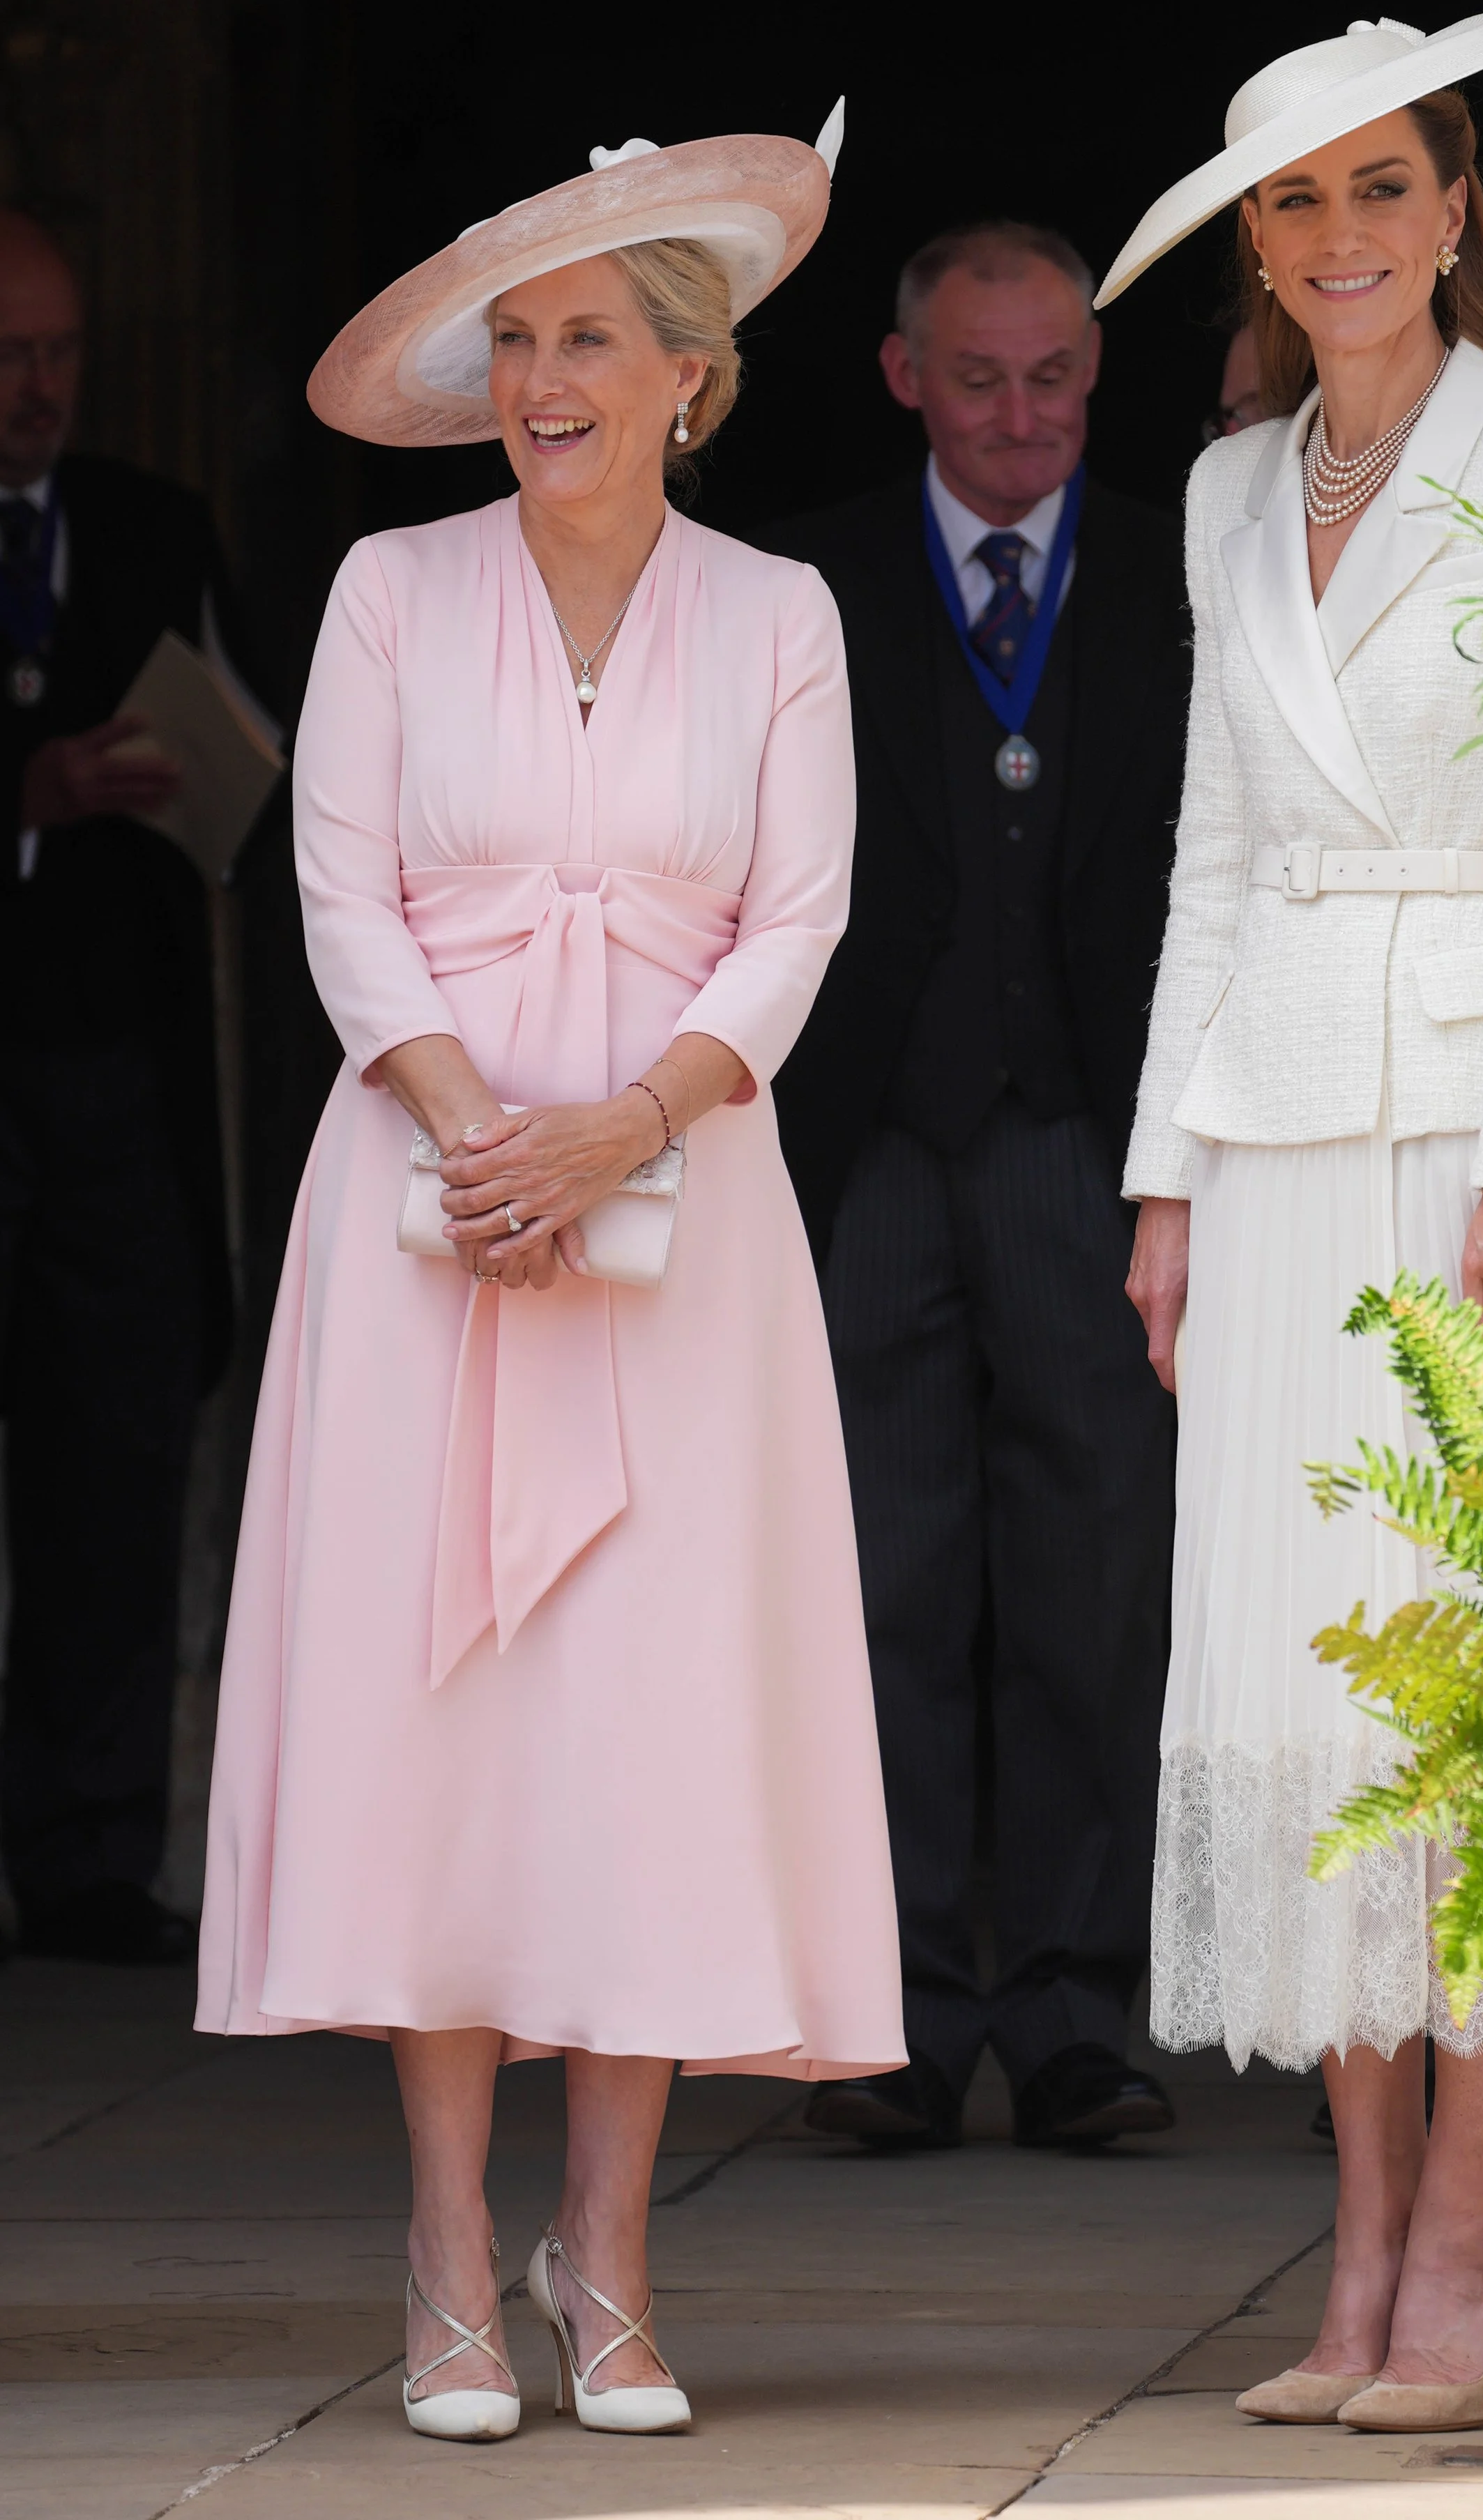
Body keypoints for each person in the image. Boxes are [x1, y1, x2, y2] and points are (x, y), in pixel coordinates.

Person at [197, 119, 904, 2445]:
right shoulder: (394, 591)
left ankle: (603, 2260)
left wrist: (633, 1120)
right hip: (423, 1219)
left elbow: (799, 918)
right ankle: (440, 2253)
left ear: (689, 375)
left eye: (586, 337)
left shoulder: (780, 614)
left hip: (686, 1231)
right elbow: (337, 889)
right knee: (451, 1732)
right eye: (516, 345)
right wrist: (476, 1127)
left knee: (644, 1731)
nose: (543, 380)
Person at [1106, 6, 1483, 2431]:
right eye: (1296, 200)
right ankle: (1352, 2244)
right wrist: (1160, 1176)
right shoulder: (1226, 492)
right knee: (1309, 1692)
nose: (1344, 236)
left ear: (1457, 212)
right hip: (1275, 1131)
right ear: (1259, 241)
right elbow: (1212, 856)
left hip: (1471, 1160)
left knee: (1472, 1690)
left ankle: (1468, 2230)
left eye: (1385, 187)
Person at [765, 222, 1186, 2151]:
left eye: (1056, 380)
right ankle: (899, 2018)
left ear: (1095, 378)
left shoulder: (1187, 562)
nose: (1022, 418)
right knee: (879, 1583)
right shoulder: (802, 577)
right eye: (981, 378)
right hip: (864, 1148)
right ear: (900, 375)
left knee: (1095, 1583)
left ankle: (1078, 2011)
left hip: (1094, 1143)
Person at [0, 209, 250, 1965]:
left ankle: (90, 1852)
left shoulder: (154, 526)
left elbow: (247, 742)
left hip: (115, 1077)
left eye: (59, 354)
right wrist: (28, 789)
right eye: (7, 357)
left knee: (110, 1463)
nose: (36, 390)